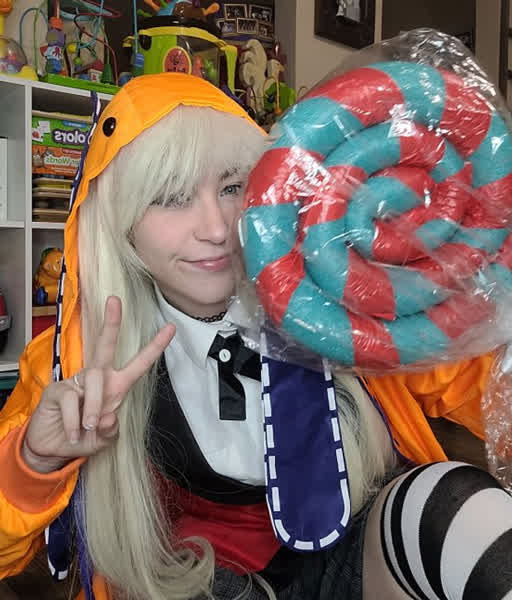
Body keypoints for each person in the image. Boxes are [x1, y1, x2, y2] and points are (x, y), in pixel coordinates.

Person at [0, 72, 511, 600]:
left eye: (232, 187)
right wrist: (34, 461)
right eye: (172, 198)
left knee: (453, 504)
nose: (217, 228)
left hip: (362, 565)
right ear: (122, 224)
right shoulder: (71, 361)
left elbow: (485, 388)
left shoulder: (349, 301)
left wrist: (491, 314)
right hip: (203, 582)